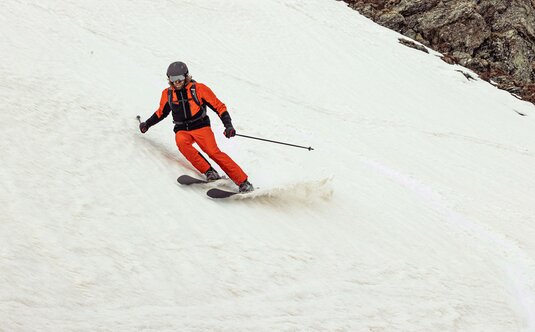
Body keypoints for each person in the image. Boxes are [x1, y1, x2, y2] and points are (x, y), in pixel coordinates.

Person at [139, 61, 254, 193]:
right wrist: (147, 124)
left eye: (180, 78)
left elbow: (219, 107)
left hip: (201, 126)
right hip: (182, 129)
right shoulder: (168, 94)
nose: (177, 82)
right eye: (173, 79)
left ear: (186, 76)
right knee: (182, 143)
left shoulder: (199, 89)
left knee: (213, 152)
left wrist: (228, 125)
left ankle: (244, 182)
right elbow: (161, 113)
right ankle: (209, 172)